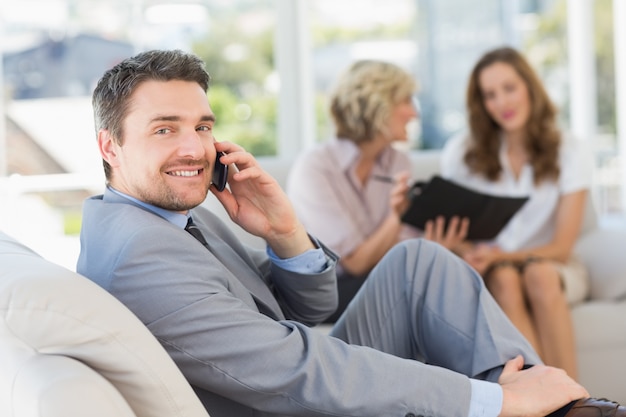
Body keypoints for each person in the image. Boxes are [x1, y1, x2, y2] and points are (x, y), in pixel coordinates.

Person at [77, 48, 620, 417]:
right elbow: (297, 370)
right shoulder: (138, 253)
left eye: (203, 126)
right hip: (283, 400)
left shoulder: (172, 217)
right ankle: (543, 405)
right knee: (488, 370)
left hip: (283, 379)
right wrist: (489, 401)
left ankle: (543, 399)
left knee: (419, 262)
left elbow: (308, 309)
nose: (194, 148)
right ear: (110, 146)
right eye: (164, 129)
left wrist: (285, 231)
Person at [440, 46, 592, 380]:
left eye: (509, 89)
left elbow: (562, 248)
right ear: (481, 104)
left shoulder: (569, 149)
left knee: (538, 274)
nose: (502, 103)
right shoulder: (463, 153)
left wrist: (500, 255)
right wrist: (477, 254)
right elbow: (457, 235)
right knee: (506, 278)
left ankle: (574, 400)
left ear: (529, 88)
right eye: (490, 95)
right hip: (496, 271)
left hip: (555, 267)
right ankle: (546, 403)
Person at [287, 60, 469, 322]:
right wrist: (396, 219)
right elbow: (353, 263)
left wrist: (434, 248)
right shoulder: (316, 167)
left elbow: (400, 248)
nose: (413, 113)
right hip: (329, 294)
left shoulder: (397, 163)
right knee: (425, 282)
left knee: (445, 275)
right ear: (378, 106)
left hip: (379, 280)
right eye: (405, 100)